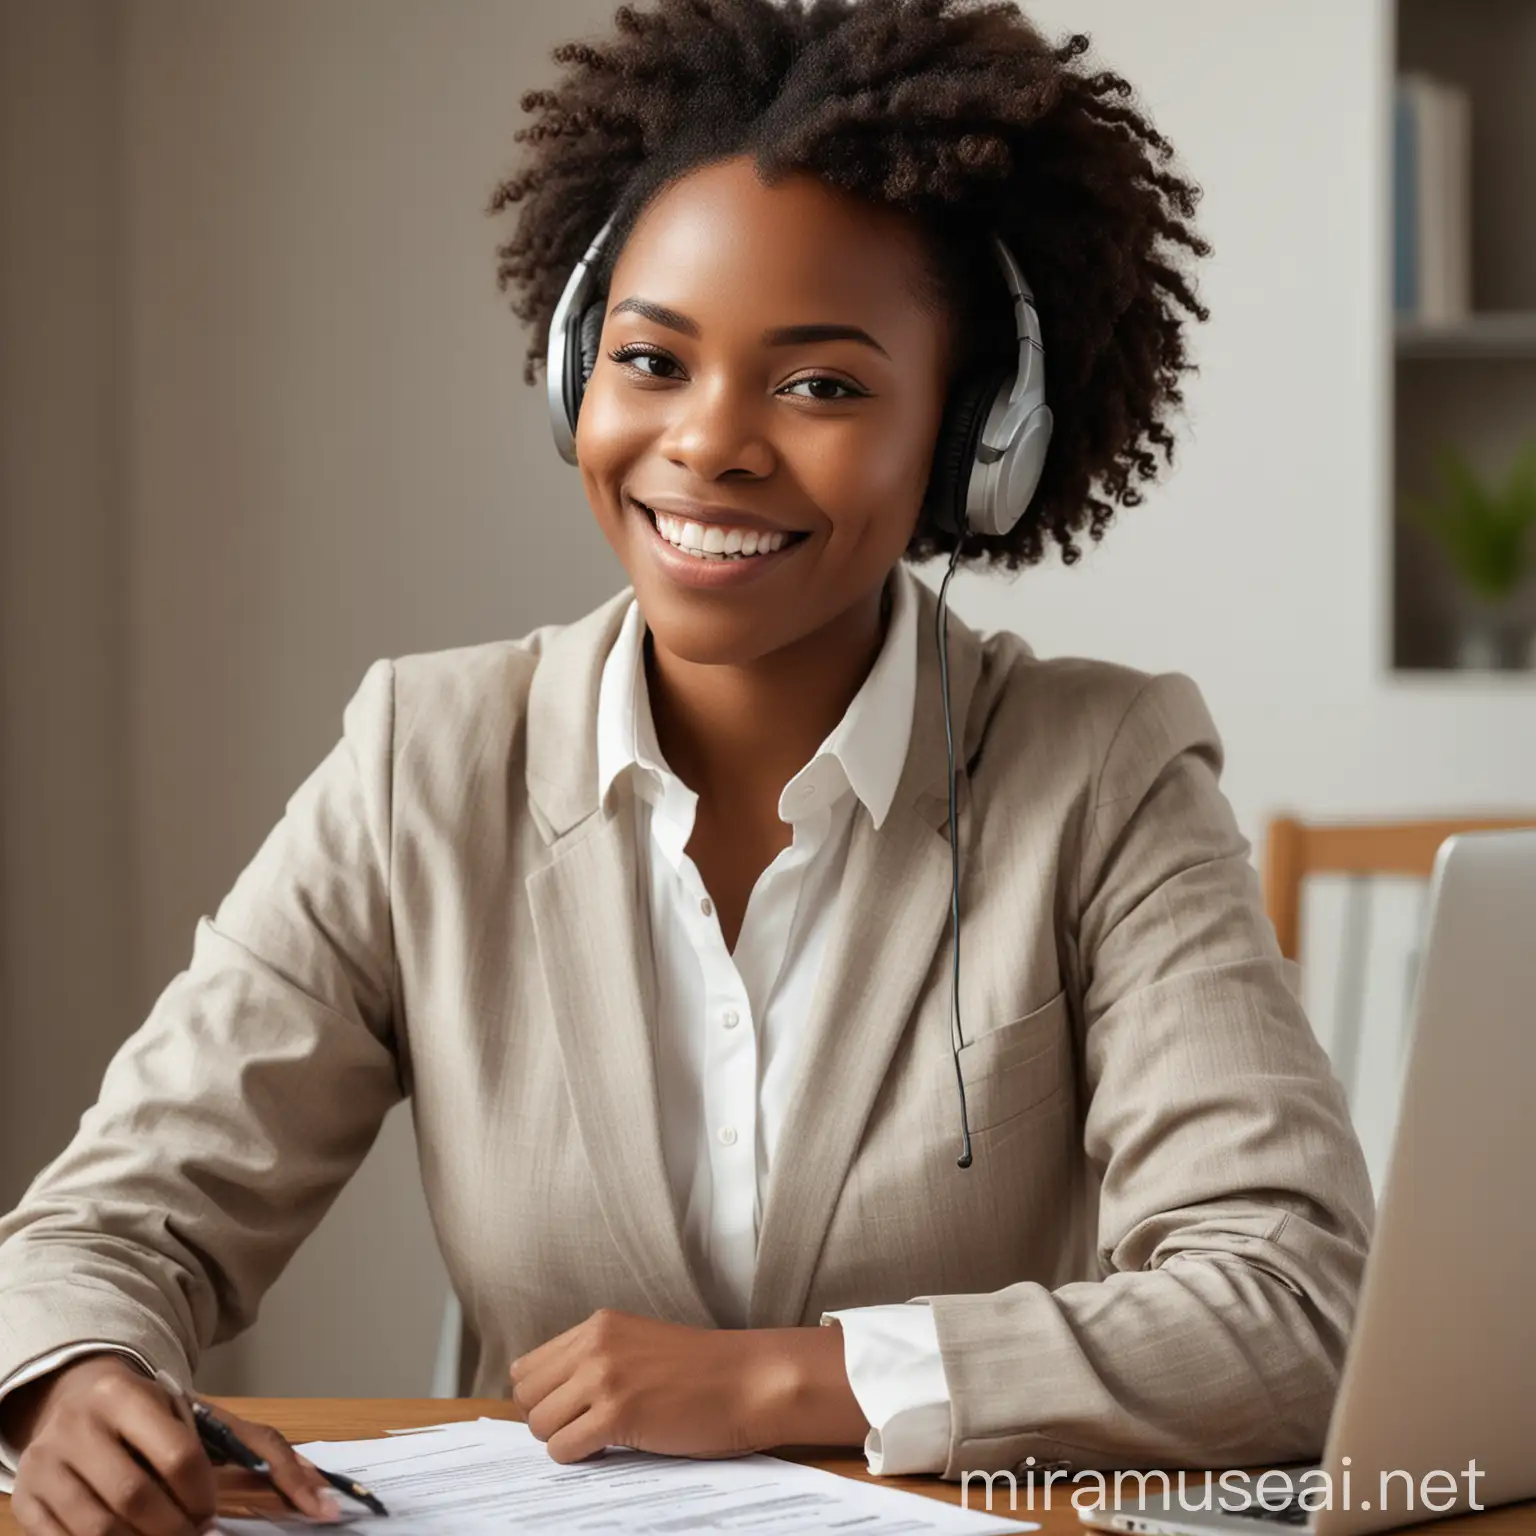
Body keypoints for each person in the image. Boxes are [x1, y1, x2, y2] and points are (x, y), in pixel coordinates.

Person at [0, 1, 1374, 1532]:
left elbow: (1295, 1304)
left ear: (977, 437)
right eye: (653, 359)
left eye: (824, 386)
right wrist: (73, 1375)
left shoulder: (1099, 771)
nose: (709, 444)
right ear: (579, 373)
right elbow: (114, 1220)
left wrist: (798, 1379)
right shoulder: (424, 759)